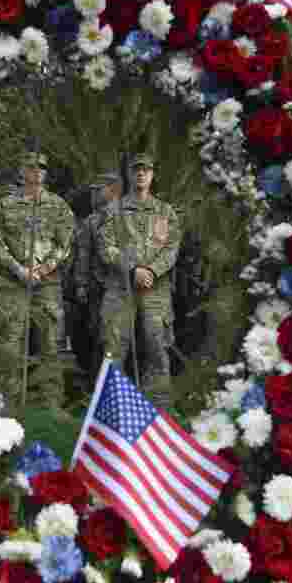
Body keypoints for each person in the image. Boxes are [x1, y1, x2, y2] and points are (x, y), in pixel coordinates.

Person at [0, 151, 75, 409]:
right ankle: (8, 403)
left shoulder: (58, 206)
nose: (36, 171)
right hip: (13, 281)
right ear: (22, 171)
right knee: (10, 341)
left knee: (50, 342)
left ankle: (51, 404)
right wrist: (18, 269)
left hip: (46, 283)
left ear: (46, 173)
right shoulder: (5, 205)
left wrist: (44, 268)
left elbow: (66, 242)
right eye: (31, 167)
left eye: (41, 167)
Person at [97, 153, 181, 407]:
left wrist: (152, 271)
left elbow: (172, 248)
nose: (141, 174)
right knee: (114, 347)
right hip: (120, 287)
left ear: (153, 175)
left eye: (146, 170)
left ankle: (159, 408)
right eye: (137, 170)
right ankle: (113, 408)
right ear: (130, 175)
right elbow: (105, 247)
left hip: (155, 290)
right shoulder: (114, 211)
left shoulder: (165, 212)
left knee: (157, 345)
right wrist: (132, 269)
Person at [68, 170, 123, 388]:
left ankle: (114, 385)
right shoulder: (92, 221)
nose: (94, 195)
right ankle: (97, 385)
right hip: (97, 288)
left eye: (98, 190)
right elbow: (83, 255)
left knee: (117, 338)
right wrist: (81, 284)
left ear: (113, 190)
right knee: (97, 336)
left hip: (122, 288)